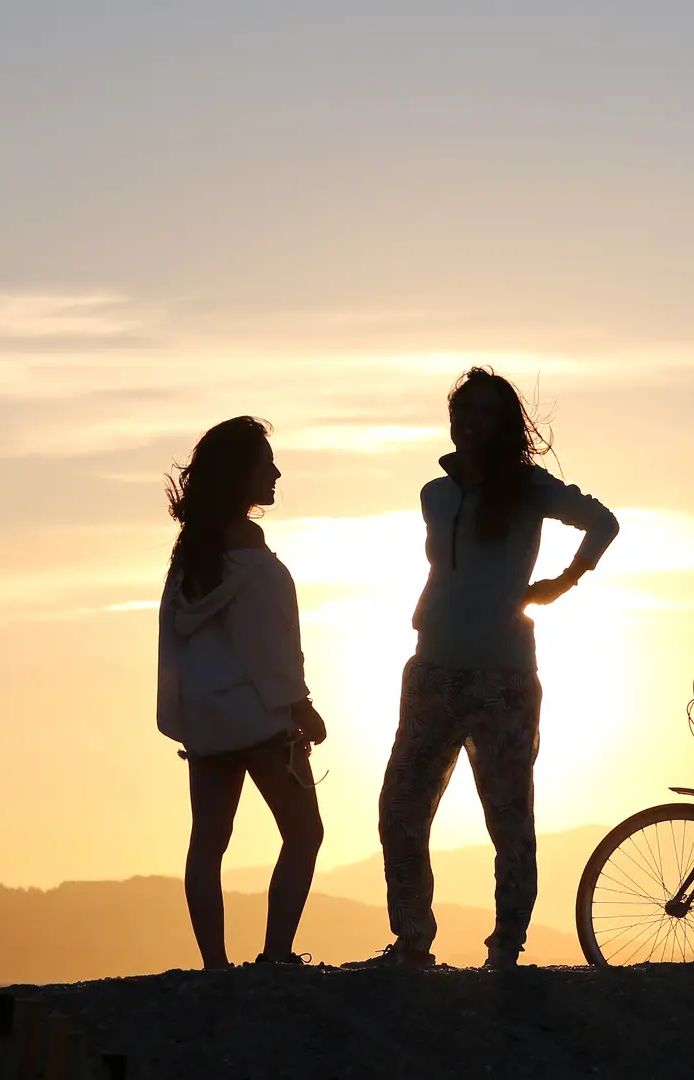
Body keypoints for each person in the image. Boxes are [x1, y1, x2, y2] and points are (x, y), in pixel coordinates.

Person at [370, 369, 618, 969]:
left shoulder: (530, 488)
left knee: (508, 817)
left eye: (484, 409)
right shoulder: (435, 493)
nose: (470, 419)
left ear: (505, 421)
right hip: (432, 668)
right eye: (462, 409)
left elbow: (602, 521)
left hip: (502, 676)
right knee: (400, 810)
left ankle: (506, 947)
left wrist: (562, 582)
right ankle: (412, 941)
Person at [156, 416, 328, 969]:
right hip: (260, 716)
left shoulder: (192, 552)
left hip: (207, 718)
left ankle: (214, 966)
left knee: (207, 844)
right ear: (241, 476)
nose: (276, 472)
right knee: (304, 833)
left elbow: (174, 642)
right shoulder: (249, 552)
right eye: (265, 464)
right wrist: (302, 707)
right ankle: (275, 954)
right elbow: (269, 643)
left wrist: (188, 712)